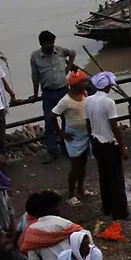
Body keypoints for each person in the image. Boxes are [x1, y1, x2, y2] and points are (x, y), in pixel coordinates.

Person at [85, 72, 128, 219]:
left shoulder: (88, 101)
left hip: (96, 141)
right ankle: (120, 212)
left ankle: (107, 207)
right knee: (116, 179)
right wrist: (122, 146)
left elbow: (88, 123)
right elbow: (114, 126)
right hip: (109, 143)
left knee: (103, 176)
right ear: (107, 86)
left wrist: (91, 140)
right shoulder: (109, 103)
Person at [30, 31, 76, 163]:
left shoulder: (60, 50)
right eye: (49, 43)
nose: (52, 46)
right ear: (42, 44)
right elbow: (35, 77)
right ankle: (52, 151)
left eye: (53, 42)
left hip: (63, 90)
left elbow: (72, 53)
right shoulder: (35, 57)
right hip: (48, 93)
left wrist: (68, 67)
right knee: (49, 122)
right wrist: (35, 94)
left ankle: (67, 148)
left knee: (67, 120)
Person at [18, 192, 80, 260]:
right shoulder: (65, 223)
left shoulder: (31, 232)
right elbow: (84, 238)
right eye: (57, 206)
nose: (59, 209)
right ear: (48, 209)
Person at [52, 71, 90, 201]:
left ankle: (81, 188)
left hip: (85, 133)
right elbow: (53, 115)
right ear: (75, 85)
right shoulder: (65, 101)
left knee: (83, 162)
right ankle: (71, 194)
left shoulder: (84, 94)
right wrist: (60, 132)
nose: (85, 84)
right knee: (75, 165)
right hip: (73, 136)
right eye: (82, 82)